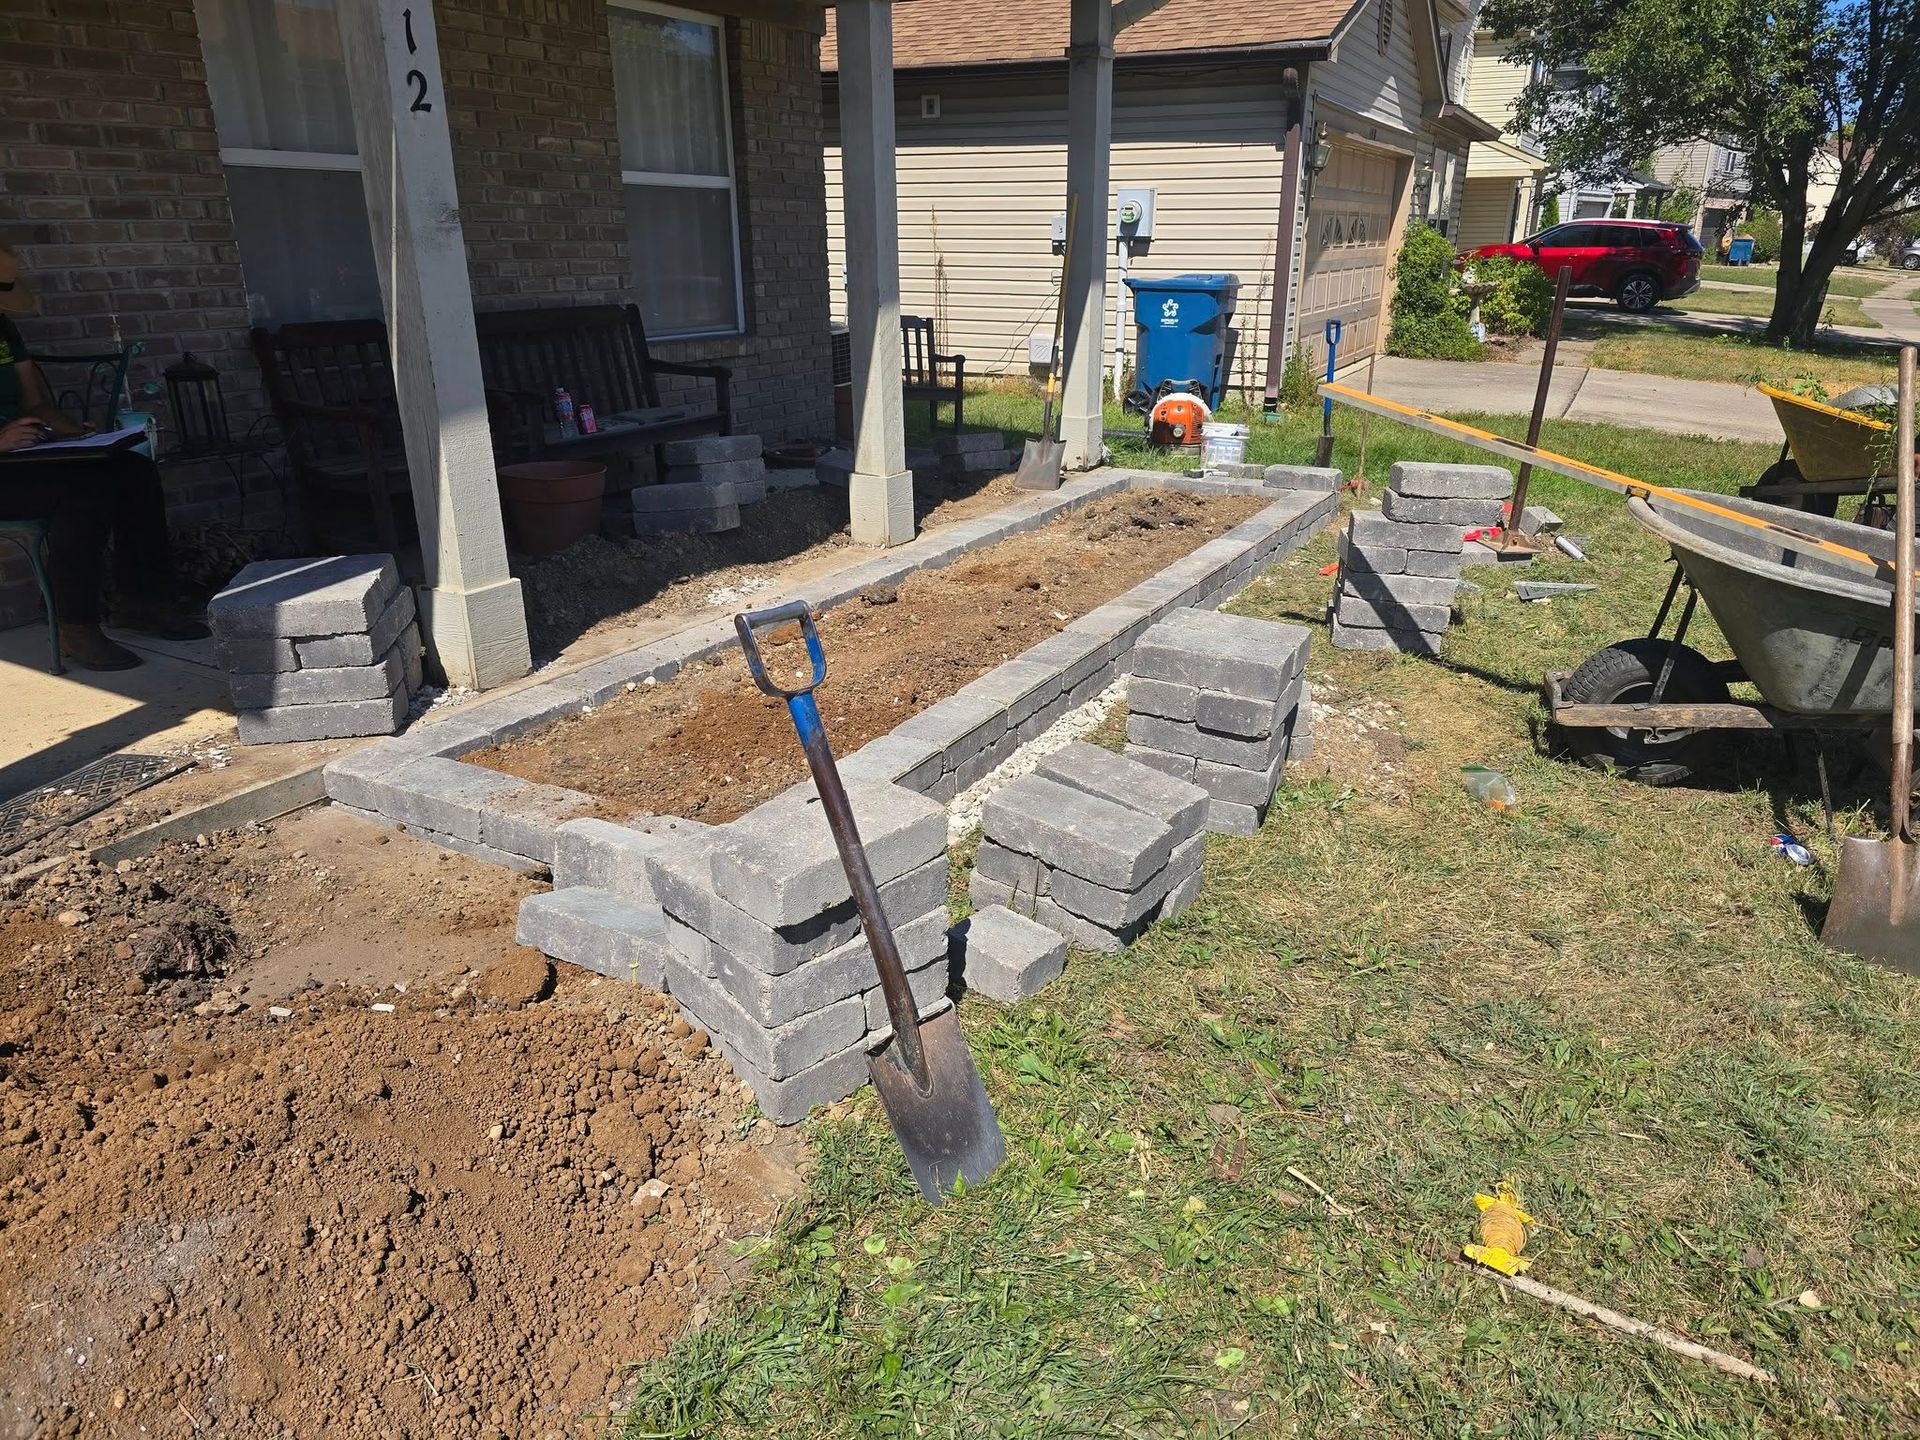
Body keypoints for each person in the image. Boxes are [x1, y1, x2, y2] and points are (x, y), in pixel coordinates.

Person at [0, 246, 207, 669]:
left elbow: (36, 401)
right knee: (84, 489)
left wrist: (74, 432)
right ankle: (76, 627)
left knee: (133, 468)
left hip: (24, 456)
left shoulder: (4, 329)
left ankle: (144, 600)